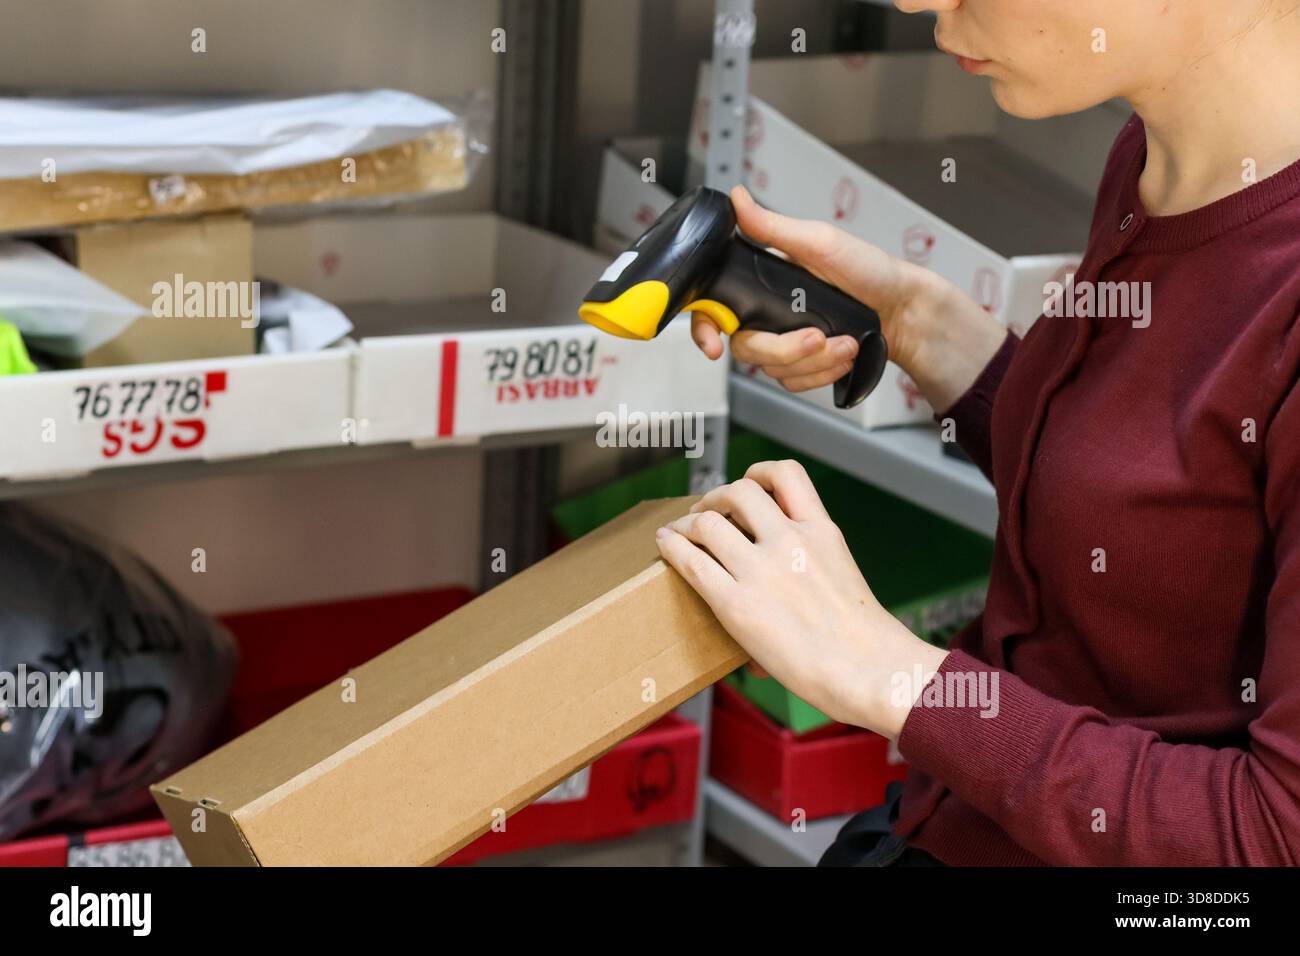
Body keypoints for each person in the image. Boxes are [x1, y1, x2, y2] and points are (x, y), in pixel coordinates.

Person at [655, 0, 1300, 865]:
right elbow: (1159, 527)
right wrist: (923, 326)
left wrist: (892, 673)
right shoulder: (1163, 158)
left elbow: (1268, 841)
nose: (914, 0)